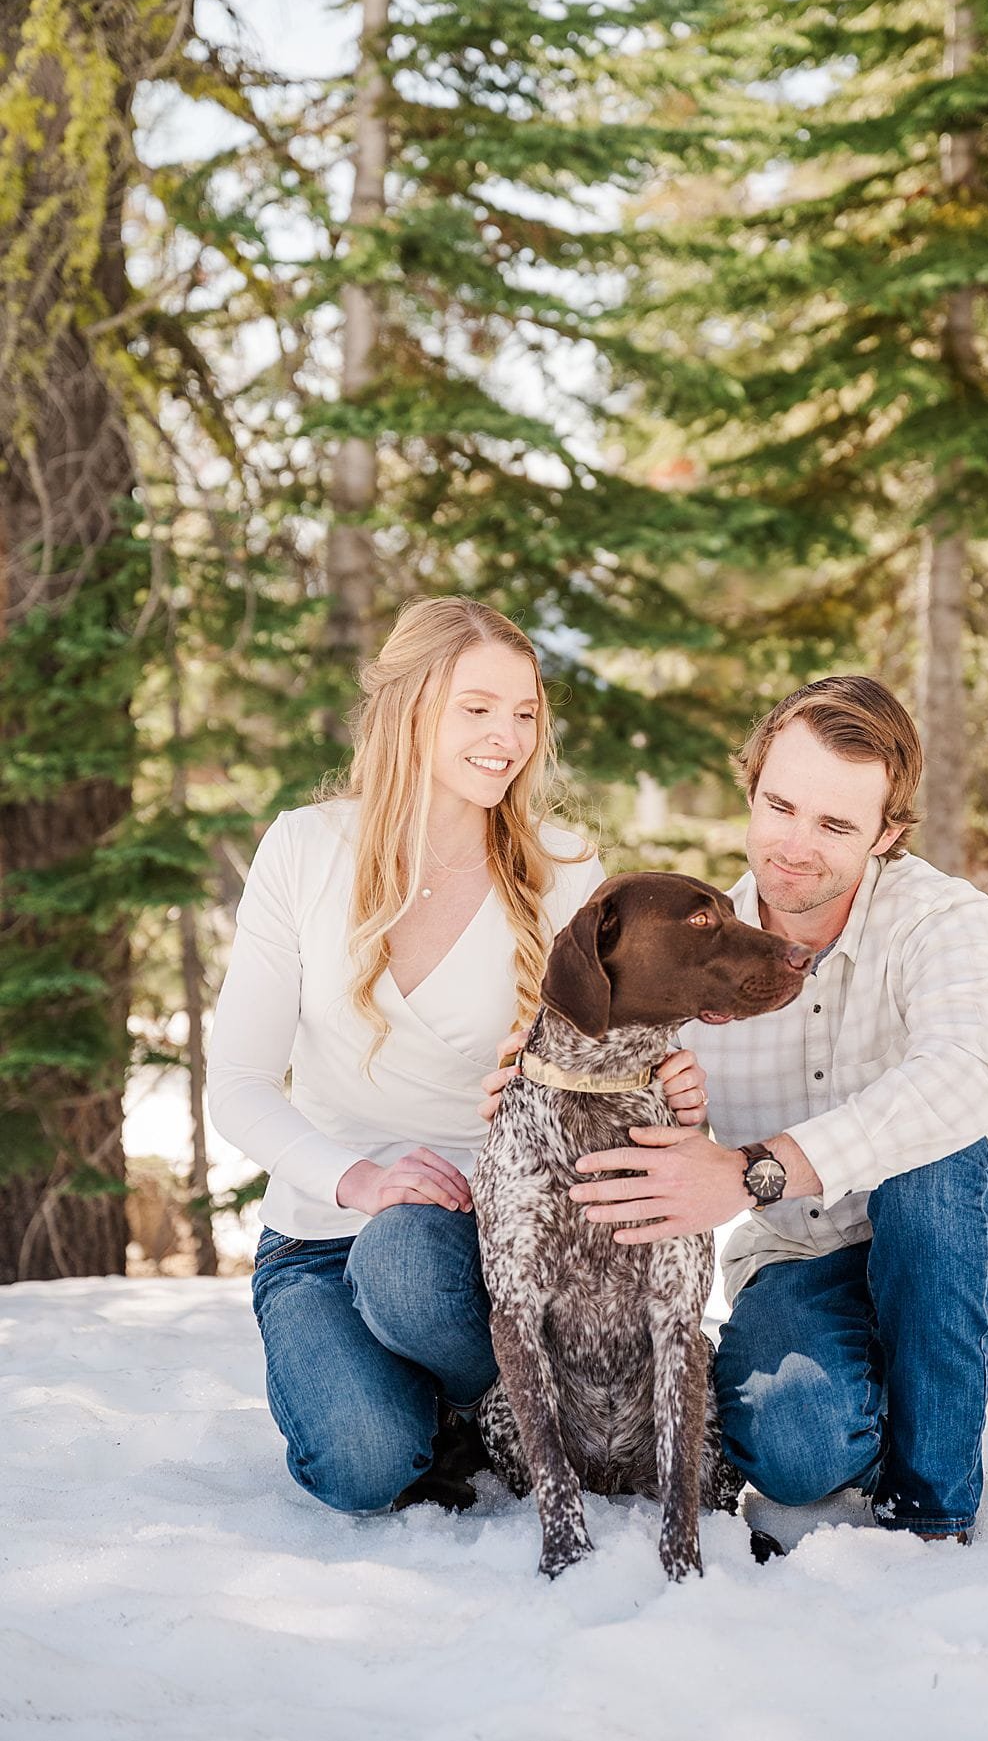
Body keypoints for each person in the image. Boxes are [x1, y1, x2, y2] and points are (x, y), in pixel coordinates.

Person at [480, 675, 988, 1542]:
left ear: (887, 834)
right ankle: (882, 1410)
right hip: (804, 1259)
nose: (795, 847)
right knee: (791, 1450)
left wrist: (756, 1167)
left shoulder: (941, 916)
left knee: (929, 1168)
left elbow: (966, 1074)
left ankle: (932, 1515)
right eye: (780, 805)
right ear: (751, 789)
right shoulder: (697, 958)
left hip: (970, 1259)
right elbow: (606, 1062)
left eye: (836, 825)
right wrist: (538, 1077)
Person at [206, 597, 703, 1514]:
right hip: (320, 1235)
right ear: (410, 704)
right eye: (477, 708)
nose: (505, 737)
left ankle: (491, 1404)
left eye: (523, 714)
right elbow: (236, 1085)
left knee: (406, 1258)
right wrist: (355, 1177)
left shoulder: (561, 864)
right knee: (361, 1466)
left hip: (496, 1247)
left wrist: (663, 1079)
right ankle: (460, 1416)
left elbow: (614, 1052)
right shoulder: (304, 849)